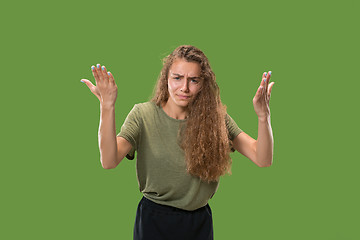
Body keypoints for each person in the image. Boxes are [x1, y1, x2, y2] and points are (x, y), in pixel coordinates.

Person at [81, 45, 274, 240]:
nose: (185, 88)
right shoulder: (143, 115)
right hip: (153, 221)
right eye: (177, 78)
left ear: (203, 83)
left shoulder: (216, 119)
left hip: (199, 223)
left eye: (194, 80)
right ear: (166, 79)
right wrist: (107, 107)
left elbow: (262, 158)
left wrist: (263, 117)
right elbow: (109, 160)